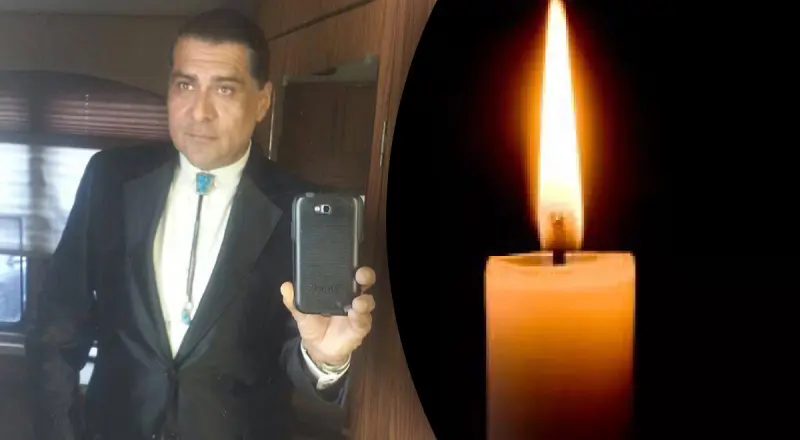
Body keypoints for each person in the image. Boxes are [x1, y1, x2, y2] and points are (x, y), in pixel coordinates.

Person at [25, 8, 376, 440]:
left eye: (224, 89)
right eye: (185, 85)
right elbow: (58, 325)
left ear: (262, 101)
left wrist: (324, 358)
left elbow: (301, 349)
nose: (199, 112)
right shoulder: (110, 179)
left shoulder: (297, 208)